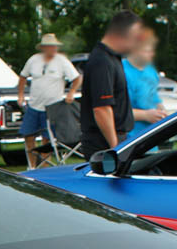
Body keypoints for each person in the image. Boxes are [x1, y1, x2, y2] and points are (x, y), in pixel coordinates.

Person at [80, 10, 144, 156]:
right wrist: (116, 149)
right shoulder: (102, 61)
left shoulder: (113, 58)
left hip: (116, 137)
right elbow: (101, 109)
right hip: (103, 143)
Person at [16, 32, 81, 166]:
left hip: (52, 107)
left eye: (54, 46)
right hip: (34, 105)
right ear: (43, 47)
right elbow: (22, 77)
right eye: (50, 46)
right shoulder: (33, 60)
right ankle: (32, 166)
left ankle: (46, 167)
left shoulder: (62, 61)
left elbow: (77, 78)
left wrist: (71, 92)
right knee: (28, 136)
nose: (53, 49)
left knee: (48, 139)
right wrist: (21, 95)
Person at [123, 28, 166, 139]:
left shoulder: (151, 70)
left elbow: (154, 98)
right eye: (147, 50)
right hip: (128, 139)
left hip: (151, 138)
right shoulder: (120, 71)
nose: (151, 54)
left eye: (152, 51)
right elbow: (116, 112)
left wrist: (162, 112)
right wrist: (146, 115)